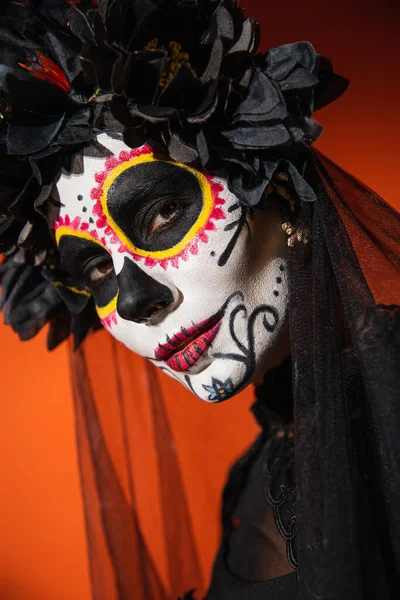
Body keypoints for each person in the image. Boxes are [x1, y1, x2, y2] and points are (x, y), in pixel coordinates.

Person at [0, 1, 399, 599]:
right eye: (96, 269)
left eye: (161, 212)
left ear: (278, 189)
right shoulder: (256, 480)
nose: (134, 300)